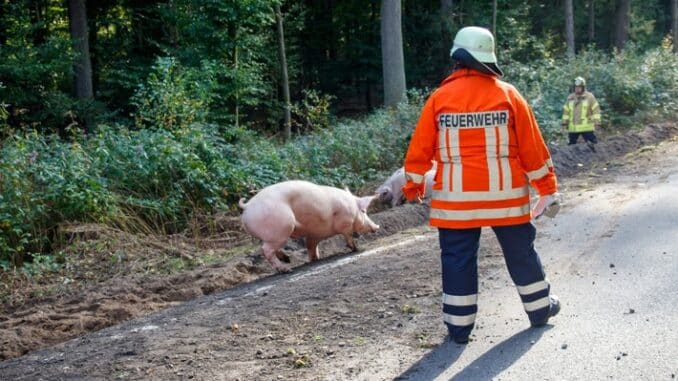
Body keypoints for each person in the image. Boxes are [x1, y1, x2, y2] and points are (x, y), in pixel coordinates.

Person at [401, 26, 561, 344]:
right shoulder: (509, 95)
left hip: (456, 203)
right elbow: (532, 149)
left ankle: (459, 329)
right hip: (506, 198)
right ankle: (540, 309)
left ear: (457, 59)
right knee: (520, 252)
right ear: (488, 59)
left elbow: (418, 151)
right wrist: (547, 188)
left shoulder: (438, 99)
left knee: (457, 259)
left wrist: (414, 188)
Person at [562, 76, 601, 151]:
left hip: (586, 127)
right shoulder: (570, 98)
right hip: (573, 128)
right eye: (576, 87)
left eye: (579, 87)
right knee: (571, 146)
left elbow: (596, 110)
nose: (577, 89)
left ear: (583, 87)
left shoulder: (590, 97)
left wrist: (597, 122)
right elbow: (566, 112)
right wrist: (564, 123)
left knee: (593, 143)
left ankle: (597, 156)